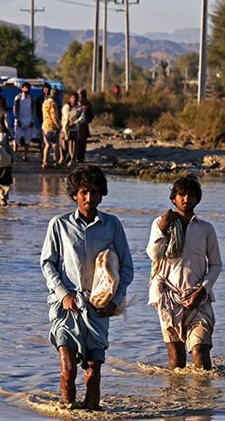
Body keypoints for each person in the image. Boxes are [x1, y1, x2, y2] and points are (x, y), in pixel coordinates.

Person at [40, 165, 134, 410]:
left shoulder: (112, 225)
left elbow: (126, 269)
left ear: (101, 194)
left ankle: (92, 412)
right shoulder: (59, 225)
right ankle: (67, 411)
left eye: (93, 192)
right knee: (68, 370)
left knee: (92, 373)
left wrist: (114, 302)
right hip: (66, 309)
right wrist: (63, 295)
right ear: (74, 195)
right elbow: (47, 264)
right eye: (83, 192)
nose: (88, 198)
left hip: (98, 309)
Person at [146, 176, 222, 371]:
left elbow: (215, 265)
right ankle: (176, 401)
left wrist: (202, 291)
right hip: (168, 298)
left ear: (197, 199)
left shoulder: (206, 229)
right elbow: (154, 255)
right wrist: (163, 227)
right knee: (176, 359)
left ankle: (204, 399)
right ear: (174, 199)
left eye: (191, 195)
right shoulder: (161, 223)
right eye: (181, 195)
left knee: (200, 354)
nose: (186, 198)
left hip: (198, 298)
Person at [13, 82, 37, 161]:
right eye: (24, 88)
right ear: (22, 88)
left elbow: (34, 109)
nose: (26, 90)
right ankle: (14, 155)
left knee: (27, 139)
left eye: (27, 88)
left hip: (29, 120)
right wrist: (18, 119)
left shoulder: (32, 98)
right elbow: (15, 110)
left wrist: (32, 120)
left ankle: (25, 155)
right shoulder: (18, 98)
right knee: (16, 138)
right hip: (19, 121)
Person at [61, 92, 85, 166]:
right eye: (72, 97)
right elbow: (62, 116)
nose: (74, 99)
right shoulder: (65, 107)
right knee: (63, 145)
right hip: (64, 129)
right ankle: (62, 159)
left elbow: (82, 117)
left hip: (74, 129)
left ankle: (72, 160)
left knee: (73, 146)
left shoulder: (79, 108)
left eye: (75, 98)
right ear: (70, 98)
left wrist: (75, 123)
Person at [41, 86, 61, 169]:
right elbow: (54, 116)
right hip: (53, 126)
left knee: (47, 145)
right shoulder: (53, 104)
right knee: (55, 145)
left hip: (45, 126)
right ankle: (56, 162)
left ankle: (45, 161)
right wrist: (59, 126)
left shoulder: (45, 102)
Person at [76, 89, 94, 163]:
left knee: (82, 142)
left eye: (81, 94)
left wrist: (87, 120)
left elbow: (91, 114)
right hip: (75, 125)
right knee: (76, 141)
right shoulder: (75, 102)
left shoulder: (88, 104)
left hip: (83, 125)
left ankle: (80, 157)